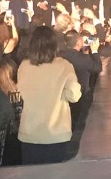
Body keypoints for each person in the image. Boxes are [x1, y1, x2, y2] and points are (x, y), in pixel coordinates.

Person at [16, 26, 81, 164]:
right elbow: (74, 95)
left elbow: (21, 92)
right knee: (55, 176)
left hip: (29, 133)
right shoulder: (64, 66)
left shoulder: (24, 66)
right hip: (57, 133)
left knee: (31, 176)